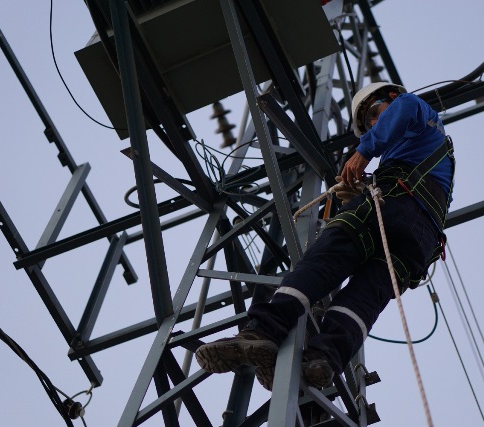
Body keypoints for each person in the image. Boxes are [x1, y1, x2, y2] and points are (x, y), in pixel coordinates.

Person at [195, 82, 455, 391]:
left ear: (392, 97)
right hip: (419, 239)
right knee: (364, 300)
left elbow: (404, 109)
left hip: (392, 204)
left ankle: (262, 331)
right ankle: (324, 359)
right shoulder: (431, 147)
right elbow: (414, 180)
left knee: (323, 261)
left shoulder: (410, 106)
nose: (374, 124)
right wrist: (361, 187)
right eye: (369, 123)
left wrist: (363, 152)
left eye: (374, 113)